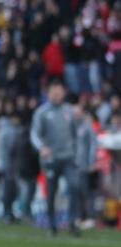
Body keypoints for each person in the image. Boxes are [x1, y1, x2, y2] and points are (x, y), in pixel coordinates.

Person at [30, 79, 80, 236]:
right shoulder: (42, 112)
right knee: (51, 193)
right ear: (49, 93)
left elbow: (75, 134)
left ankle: (73, 223)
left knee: (74, 186)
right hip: (51, 159)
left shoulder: (69, 111)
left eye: (59, 91)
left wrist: (76, 152)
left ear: (63, 93)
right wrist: (41, 148)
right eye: (54, 91)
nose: (57, 94)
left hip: (68, 158)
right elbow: (34, 134)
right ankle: (52, 225)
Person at [73, 104, 98, 230]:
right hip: (72, 165)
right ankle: (78, 217)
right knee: (75, 191)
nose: (76, 114)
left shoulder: (87, 127)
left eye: (78, 112)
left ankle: (90, 217)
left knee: (86, 192)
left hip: (83, 165)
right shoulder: (70, 126)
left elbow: (93, 145)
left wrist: (91, 162)